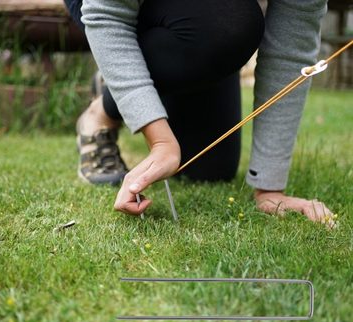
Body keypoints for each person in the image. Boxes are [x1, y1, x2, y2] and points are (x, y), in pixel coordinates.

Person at [65, 0, 334, 225]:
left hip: (204, 20)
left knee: (209, 169)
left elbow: (290, 46)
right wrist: (160, 141)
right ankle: (102, 111)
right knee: (229, 23)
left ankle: (135, 75)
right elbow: (107, 13)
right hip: (112, 6)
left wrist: (270, 187)